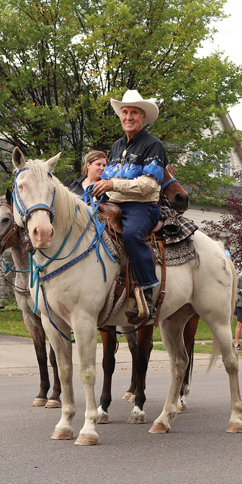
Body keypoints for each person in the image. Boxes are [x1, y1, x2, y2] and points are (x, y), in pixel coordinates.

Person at [91, 90, 168, 321]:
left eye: (134, 112)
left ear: (143, 118)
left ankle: (146, 291)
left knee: (133, 234)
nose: (128, 116)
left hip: (142, 207)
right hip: (112, 205)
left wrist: (113, 184)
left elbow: (148, 185)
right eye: (124, 112)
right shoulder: (116, 146)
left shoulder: (153, 145)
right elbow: (108, 180)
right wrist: (97, 190)